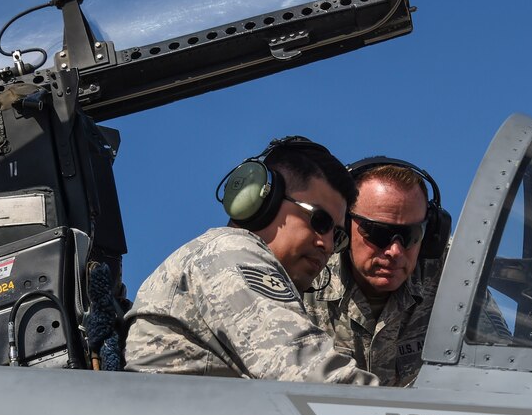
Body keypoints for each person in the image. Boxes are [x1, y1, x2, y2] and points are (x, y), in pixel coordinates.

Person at [124, 137, 378, 384]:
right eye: (320, 221)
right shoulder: (231, 252)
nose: (328, 245)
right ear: (265, 200)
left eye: (337, 235)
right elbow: (310, 376)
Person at [305, 158, 508, 386]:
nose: (395, 251)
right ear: (342, 224)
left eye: (411, 235)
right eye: (378, 233)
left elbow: (500, 370)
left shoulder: (454, 275)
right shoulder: (306, 271)